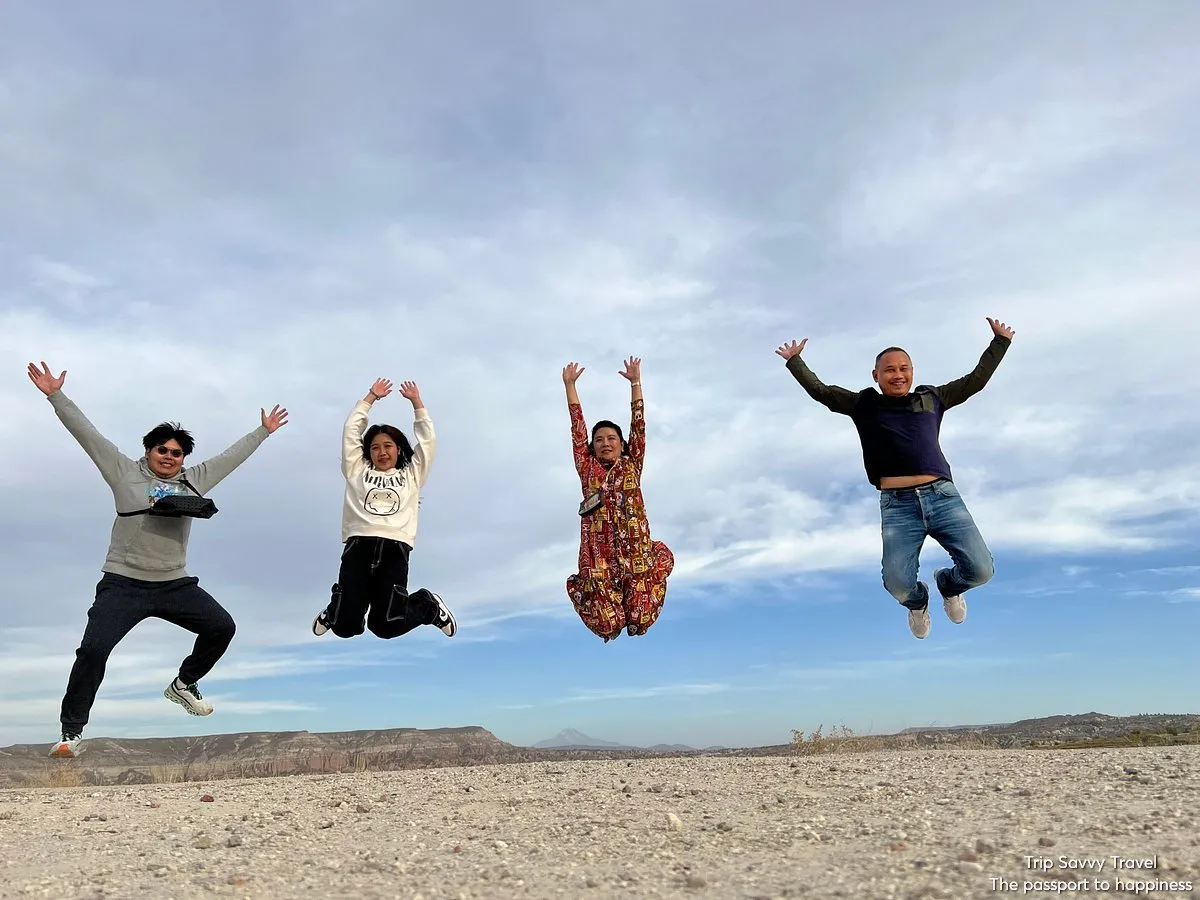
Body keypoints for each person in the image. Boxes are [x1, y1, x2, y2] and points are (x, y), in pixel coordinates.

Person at [27, 361, 289, 759]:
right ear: (147, 451)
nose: (169, 457)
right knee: (93, 651)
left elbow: (230, 457)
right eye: (162, 450)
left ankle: (184, 684)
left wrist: (262, 432)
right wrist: (55, 395)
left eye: (177, 453)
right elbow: (88, 435)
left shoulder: (193, 480)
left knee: (222, 627)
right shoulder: (124, 474)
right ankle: (70, 732)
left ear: (184, 459)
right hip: (123, 583)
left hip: (173, 583)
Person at [774, 318, 1015, 639]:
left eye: (904, 368)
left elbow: (975, 381)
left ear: (912, 372)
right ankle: (919, 603)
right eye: (889, 370)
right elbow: (823, 392)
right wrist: (795, 361)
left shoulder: (932, 398)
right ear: (876, 376)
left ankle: (948, 584)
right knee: (898, 585)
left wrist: (999, 342)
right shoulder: (865, 404)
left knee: (981, 570)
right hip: (897, 505)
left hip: (942, 497)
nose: (898, 374)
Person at [311, 378, 456, 642]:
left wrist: (417, 403)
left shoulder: (412, 474)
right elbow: (350, 431)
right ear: (367, 452)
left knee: (386, 626)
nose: (381, 452)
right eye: (375, 447)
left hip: (394, 550)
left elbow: (428, 443)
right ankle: (336, 610)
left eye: (387, 446)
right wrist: (370, 398)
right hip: (358, 546)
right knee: (344, 626)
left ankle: (427, 605)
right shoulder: (357, 471)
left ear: (398, 449)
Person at [563, 357, 674, 641]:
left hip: (634, 552)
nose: (606, 443)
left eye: (612, 438)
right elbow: (577, 431)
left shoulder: (631, 464)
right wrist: (570, 386)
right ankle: (603, 614)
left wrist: (636, 384)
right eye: (599, 439)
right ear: (592, 447)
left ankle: (646, 587)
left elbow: (639, 427)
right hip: (599, 556)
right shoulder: (587, 468)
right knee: (606, 625)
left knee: (640, 617)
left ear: (622, 445)